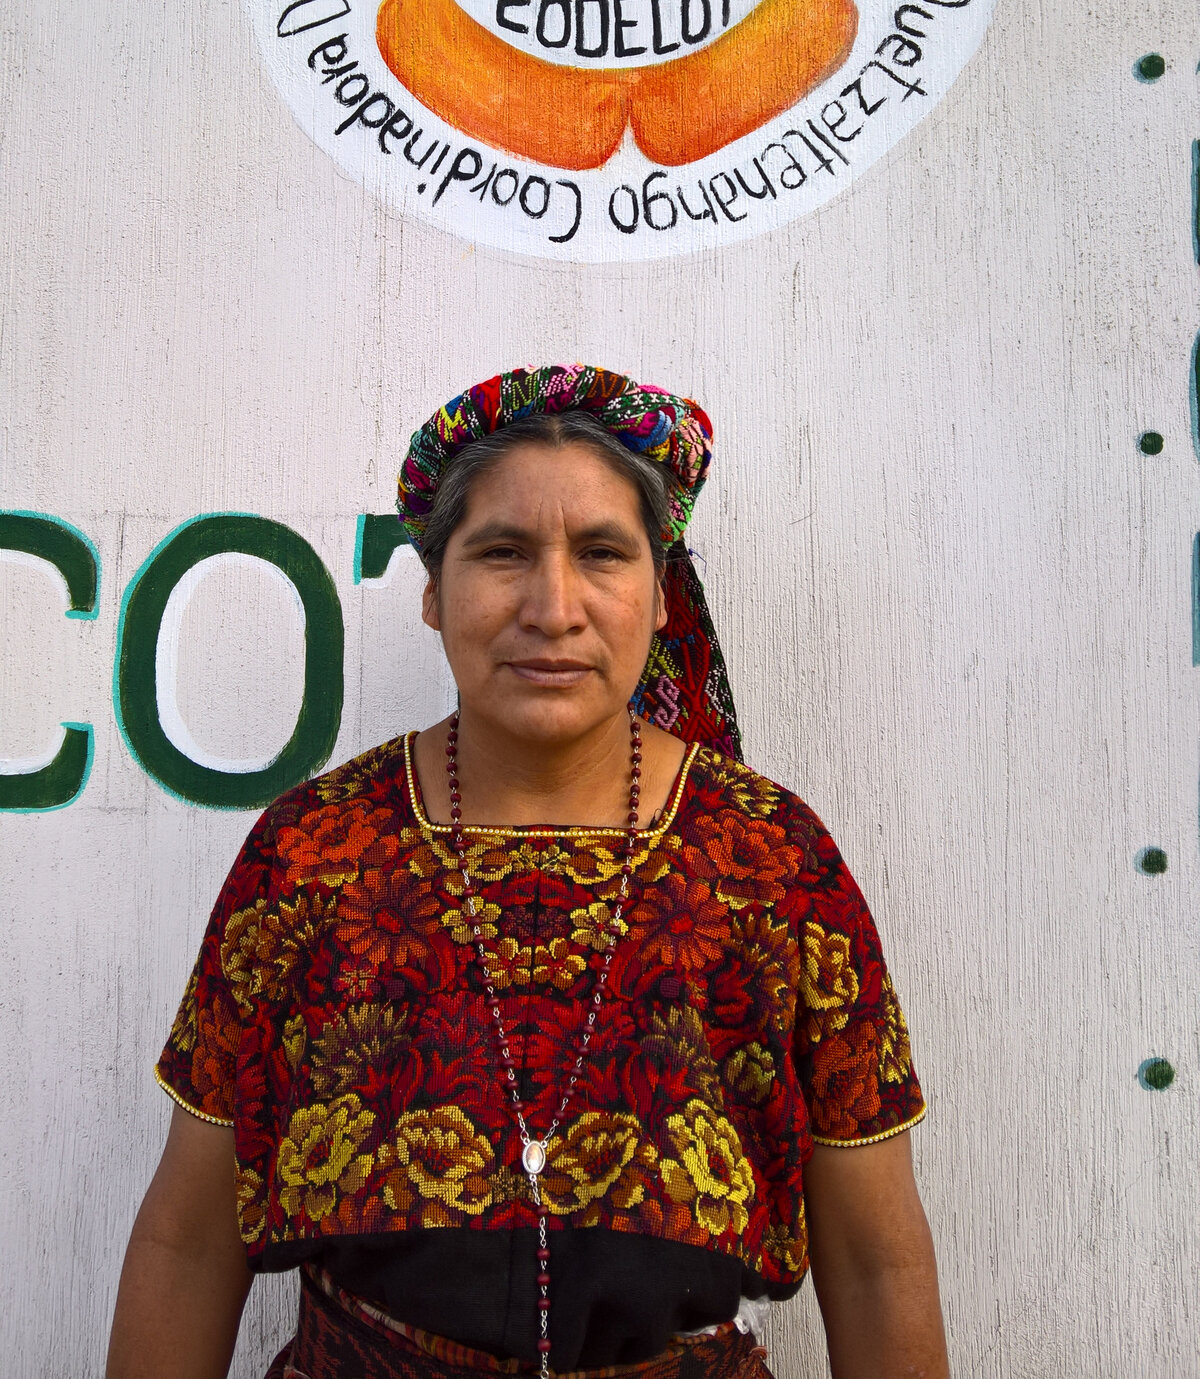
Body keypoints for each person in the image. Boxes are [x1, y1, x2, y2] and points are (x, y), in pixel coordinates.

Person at [106, 365, 949, 1379]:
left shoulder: (771, 863)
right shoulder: (312, 854)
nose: (554, 607)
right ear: (433, 590)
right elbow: (188, 1242)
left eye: (602, 553)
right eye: (502, 552)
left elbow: (875, 1262)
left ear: (659, 587)